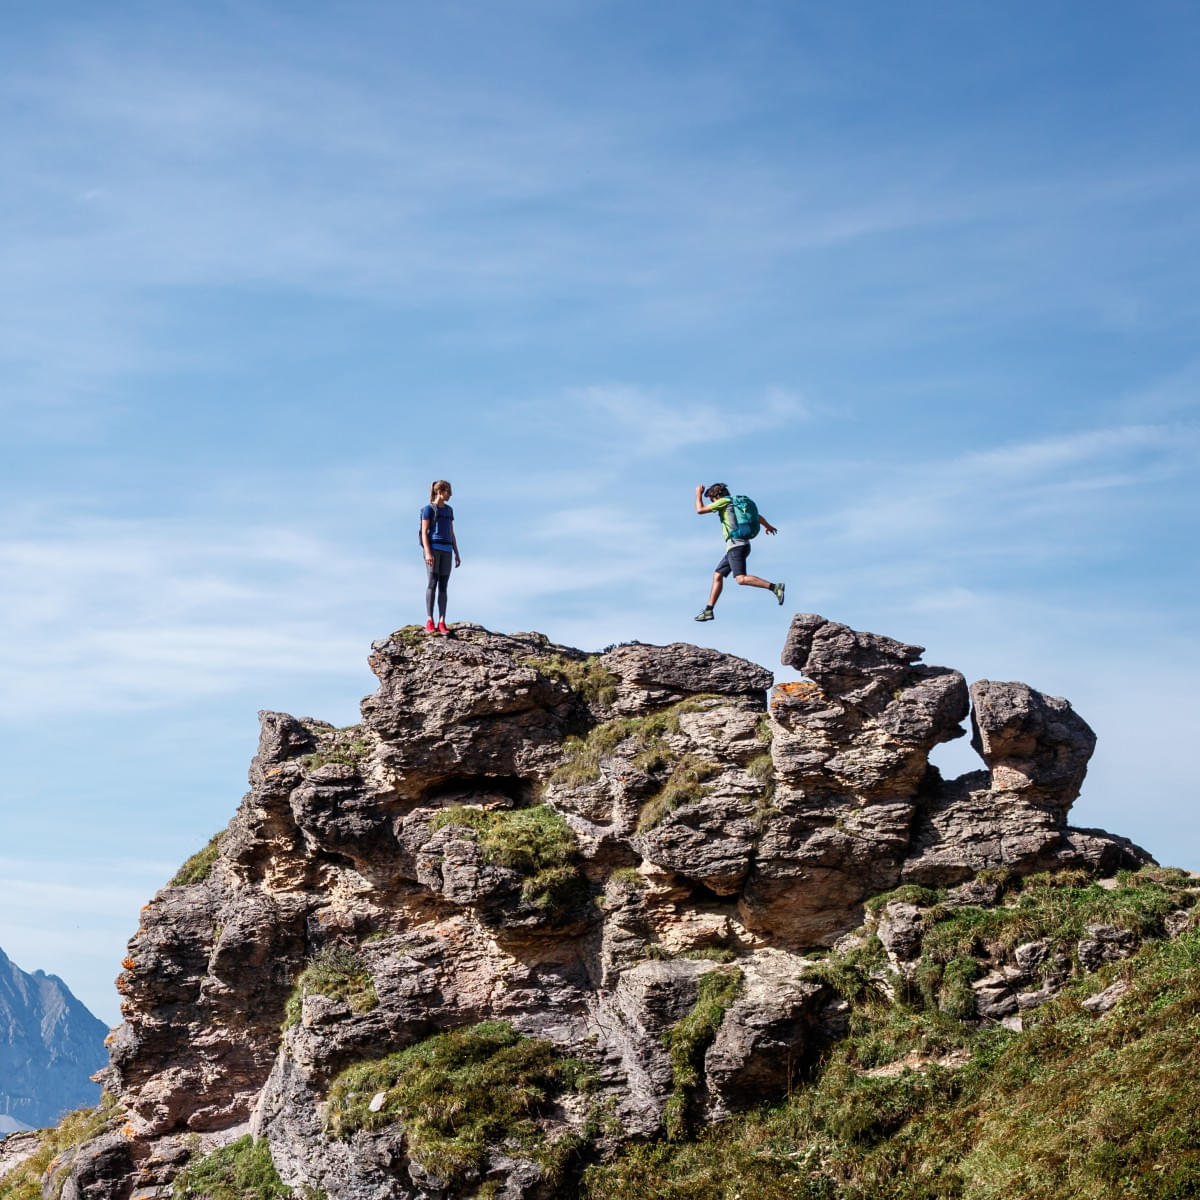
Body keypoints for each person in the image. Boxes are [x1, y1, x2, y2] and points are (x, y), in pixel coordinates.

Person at [693, 482, 784, 621]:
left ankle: (775, 587)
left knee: (741, 579)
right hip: (737, 546)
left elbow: (700, 510)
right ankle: (708, 610)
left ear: (717, 496)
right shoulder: (736, 504)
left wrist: (698, 494)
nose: (712, 503)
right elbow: (757, 517)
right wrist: (768, 526)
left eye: (712, 500)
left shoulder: (723, 501)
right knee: (717, 575)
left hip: (736, 546)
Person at [420, 480, 461, 634]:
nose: (450, 494)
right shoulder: (428, 509)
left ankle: (442, 621)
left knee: (443, 586)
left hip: (447, 550)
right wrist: (428, 552)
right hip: (434, 549)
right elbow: (424, 532)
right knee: (432, 583)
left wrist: (456, 552)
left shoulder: (449, 511)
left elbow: (451, 532)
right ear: (440, 492)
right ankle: (430, 620)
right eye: (448, 491)